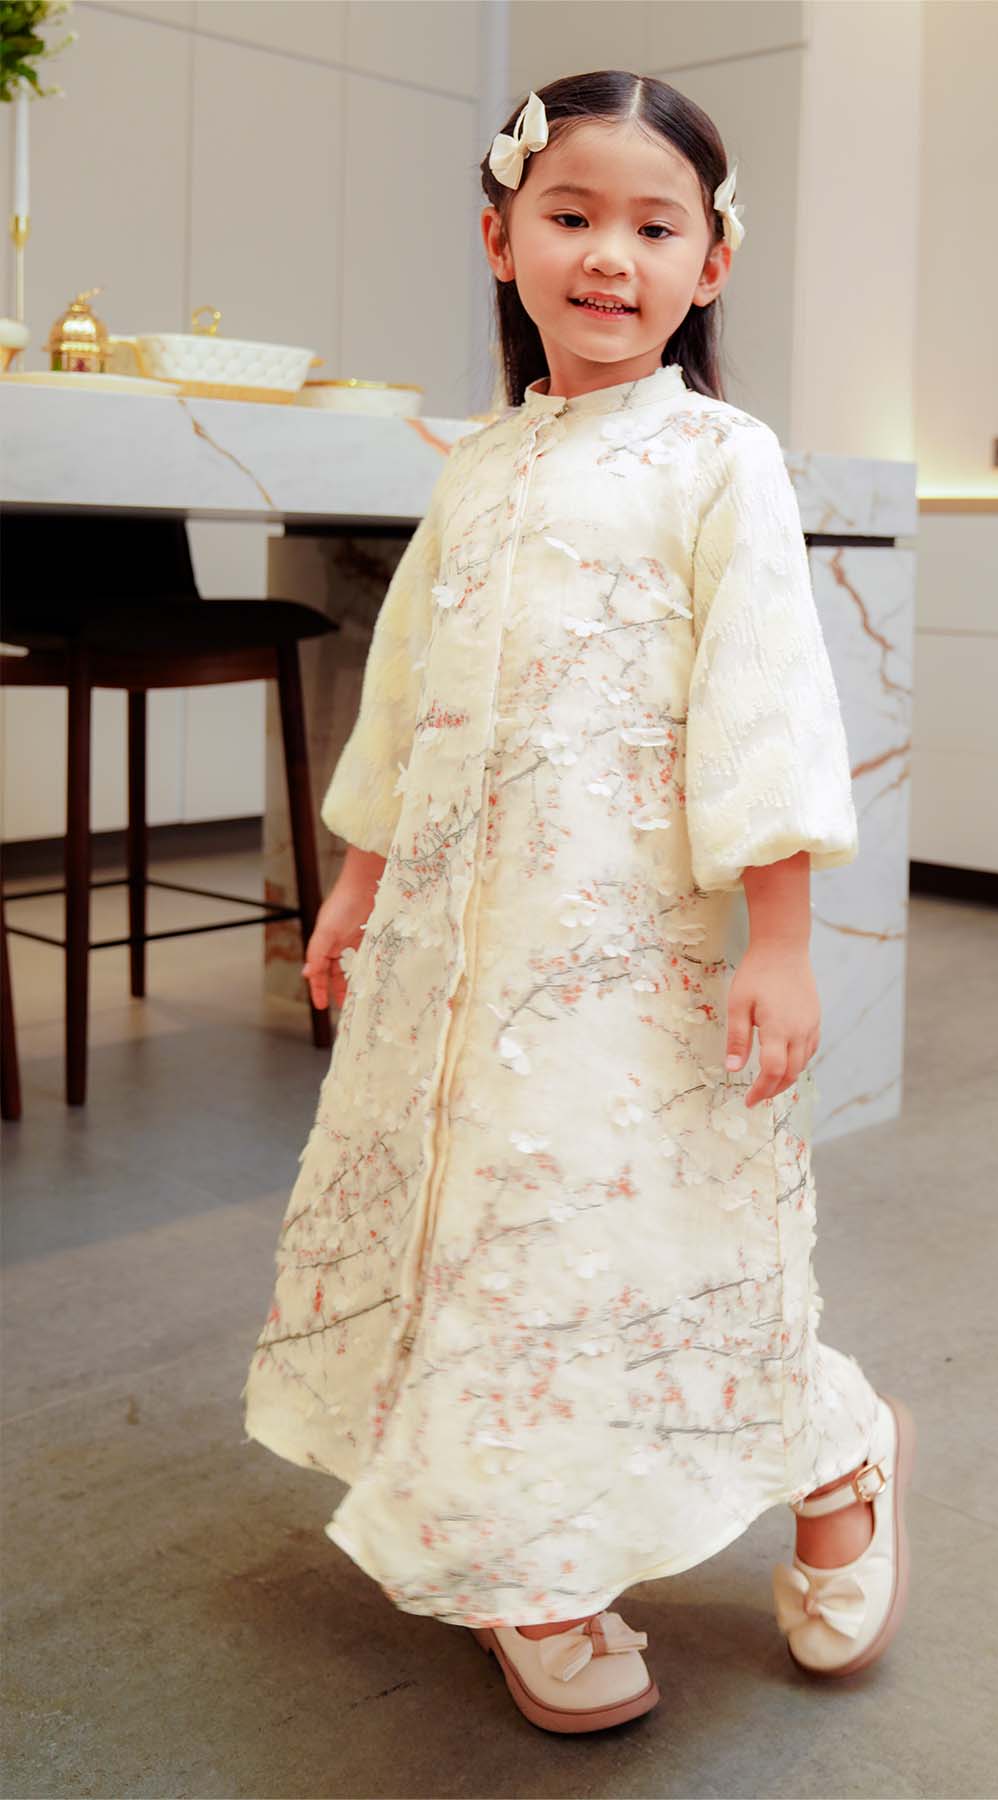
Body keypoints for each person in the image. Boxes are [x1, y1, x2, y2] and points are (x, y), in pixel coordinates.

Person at [241, 70, 916, 1734]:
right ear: (503, 241)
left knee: (655, 1233)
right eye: (572, 216)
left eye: (652, 226)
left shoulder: (719, 461)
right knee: (487, 1237)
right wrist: (359, 880)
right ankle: (528, 1558)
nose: (610, 254)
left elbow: (766, 702)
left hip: (632, 952)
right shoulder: (476, 469)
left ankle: (838, 1458)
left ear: (711, 263)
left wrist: (779, 941)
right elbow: (407, 695)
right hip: (455, 952)